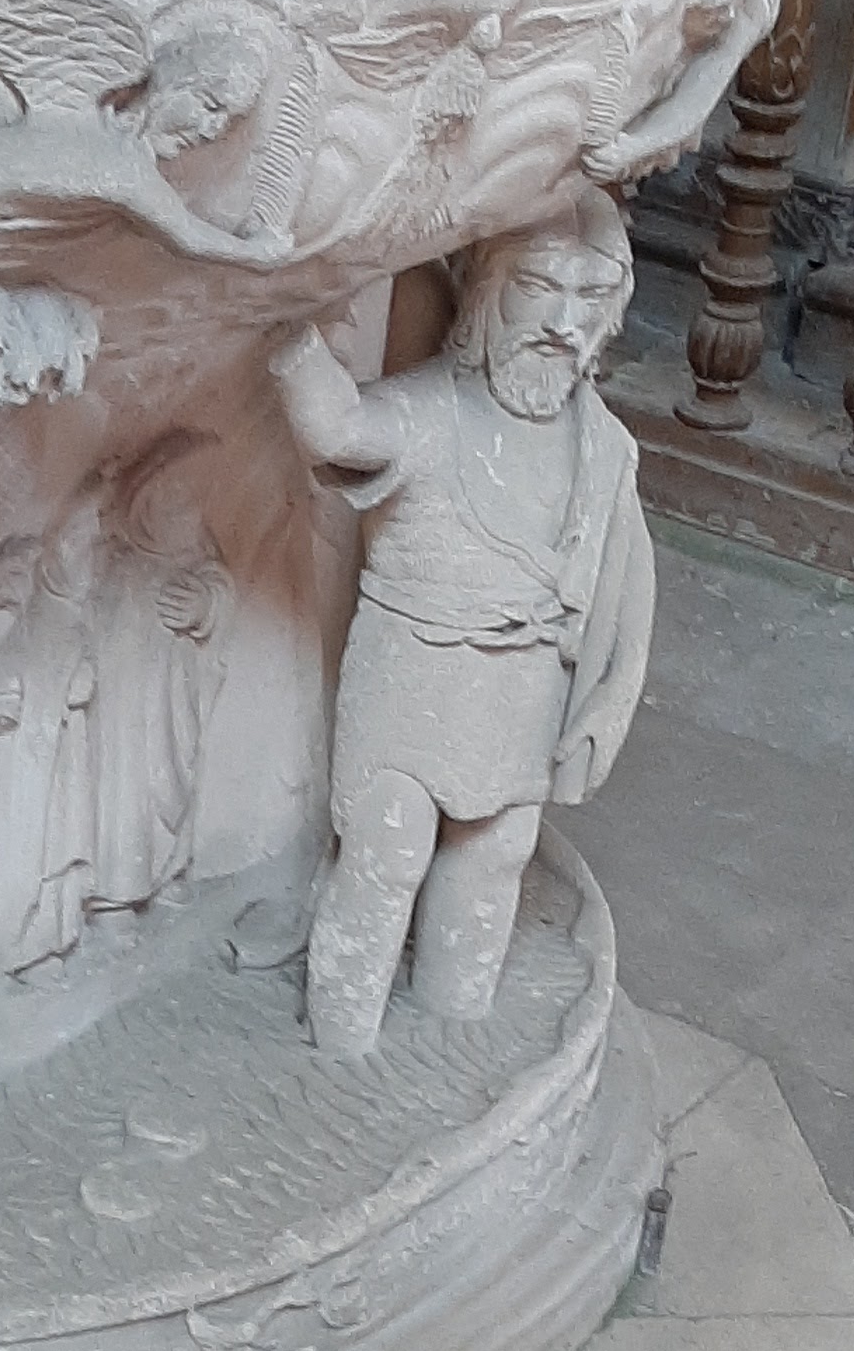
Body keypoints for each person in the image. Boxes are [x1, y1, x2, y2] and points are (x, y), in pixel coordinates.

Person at [274, 194, 653, 1059]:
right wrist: (289, 330)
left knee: (494, 856)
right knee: (388, 851)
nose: (564, 326)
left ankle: (451, 1032)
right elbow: (339, 427)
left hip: (522, 692)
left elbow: (630, 581)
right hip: (411, 682)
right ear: (483, 293)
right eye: (539, 289)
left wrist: (611, 693)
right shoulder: (433, 411)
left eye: (591, 299)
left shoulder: (602, 445)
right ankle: (342, 1045)